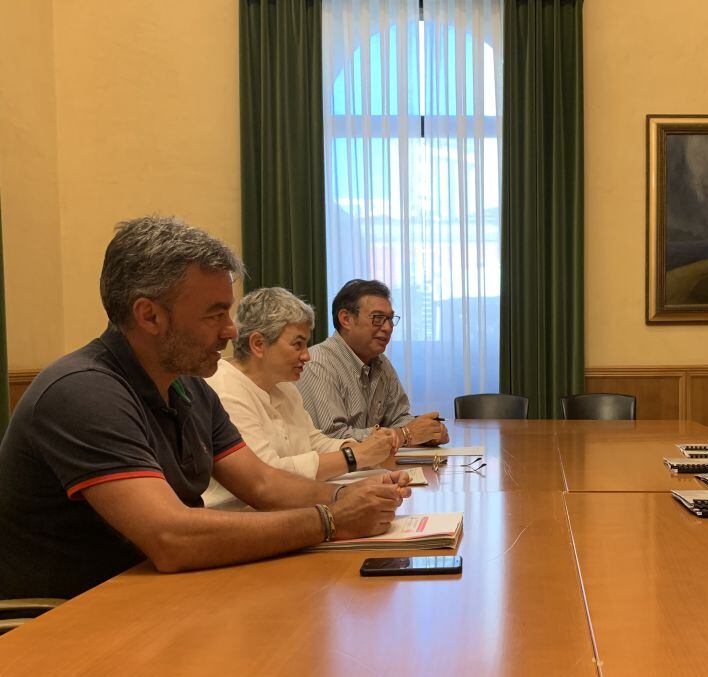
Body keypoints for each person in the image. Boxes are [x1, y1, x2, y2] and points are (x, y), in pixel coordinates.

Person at [0, 216, 411, 600]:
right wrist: (332, 518)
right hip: (71, 619)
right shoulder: (84, 393)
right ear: (149, 315)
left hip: (157, 596)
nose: (231, 330)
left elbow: (263, 485)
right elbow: (171, 538)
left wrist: (350, 496)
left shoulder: (190, 389)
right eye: (215, 314)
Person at [202, 287, 401, 507]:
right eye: (298, 344)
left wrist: (366, 452)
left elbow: (313, 441)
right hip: (243, 521)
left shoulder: (284, 386)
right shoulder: (224, 389)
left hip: (290, 509)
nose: (306, 355)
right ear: (258, 344)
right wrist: (357, 457)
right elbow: (268, 474)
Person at [297, 279, 449, 447]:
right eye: (377, 318)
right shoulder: (318, 363)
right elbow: (332, 438)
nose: (388, 327)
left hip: (373, 468)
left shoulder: (381, 363)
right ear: (345, 319)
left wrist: (428, 431)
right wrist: (405, 434)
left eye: (390, 319)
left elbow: (398, 418)